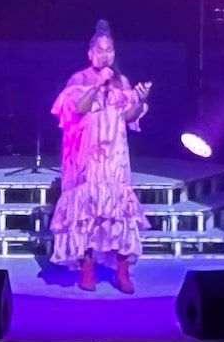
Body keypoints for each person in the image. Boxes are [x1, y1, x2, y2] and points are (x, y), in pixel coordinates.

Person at [50, 20, 150, 293]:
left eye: (110, 50)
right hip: (87, 159)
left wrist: (140, 100)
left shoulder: (122, 81)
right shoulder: (79, 79)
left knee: (119, 213)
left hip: (115, 158)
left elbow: (128, 116)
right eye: (100, 50)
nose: (105, 55)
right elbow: (79, 109)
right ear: (90, 52)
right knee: (87, 214)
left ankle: (122, 272)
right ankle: (87, 271)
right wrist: (98, 85)